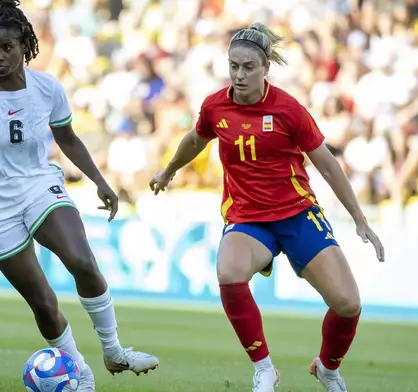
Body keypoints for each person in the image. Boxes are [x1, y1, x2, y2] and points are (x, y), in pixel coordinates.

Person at [0, 1, 159, 391]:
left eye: (6, 48)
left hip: (39, 185)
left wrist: (100, 181)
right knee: (44, 304)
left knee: (82, 261)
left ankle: (114, 351)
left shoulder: (48, 87)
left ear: (25, 45)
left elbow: (67, 138)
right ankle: (81, 375)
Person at [149, 23, 384, 392]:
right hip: (247, 217)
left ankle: (327, 368)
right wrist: (168, 171)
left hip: (296, 214)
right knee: (228, 272)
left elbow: (326, 164)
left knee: (348, 304)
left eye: (248, 68)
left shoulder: (289, 110)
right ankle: (263, 369)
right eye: (233, 66)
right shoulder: (214, 106)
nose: (239, 75)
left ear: (265, 69)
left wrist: (359, 217)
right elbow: (196, 140)